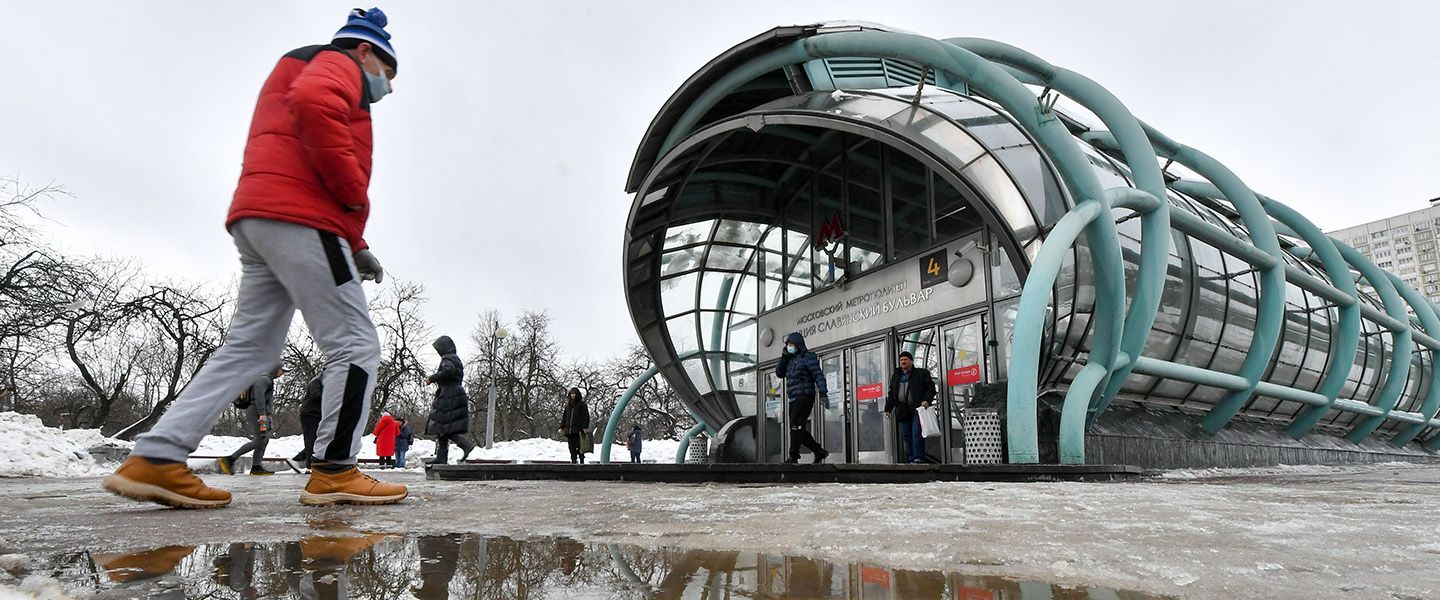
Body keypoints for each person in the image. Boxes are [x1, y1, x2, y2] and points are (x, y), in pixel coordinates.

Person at [103, 7, 406, 509]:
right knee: (354, 344)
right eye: (387, 74)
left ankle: (156, 457)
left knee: (249, 349)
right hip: (305, 218)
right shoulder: (339, 64)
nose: (386, 87)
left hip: (260, 218)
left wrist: (356, 245)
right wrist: (353, 201)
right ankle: (335, 470)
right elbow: (314, 106)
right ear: (366, 50)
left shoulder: (300, 63)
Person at [219, 366, 286, 476]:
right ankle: (229, 459)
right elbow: (259, 398)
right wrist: (262, 415)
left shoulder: (267, 379)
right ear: (275, 369)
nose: (283, 374)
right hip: (258, 413)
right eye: (282, 371)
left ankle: (256, 467)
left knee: (264, 439)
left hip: (261, 413)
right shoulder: (264, 379)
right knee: (260, 439)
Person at [775, 332, 830, 463]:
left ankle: (793, 455)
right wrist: (783, 358)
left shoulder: (808, 358)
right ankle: (818, 451)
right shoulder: (789, 360)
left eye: (791, 344)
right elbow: (779, 373)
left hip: (805, 396)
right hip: (793, 398)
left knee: (796, 427)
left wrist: (823, 393)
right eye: (787, 344)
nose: (789, 347)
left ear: (798, 345)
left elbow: (818, 375)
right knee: (796, 427)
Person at [425, 335, 475, 465]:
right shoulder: (454, 359)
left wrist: (432, 378)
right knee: (442, 429)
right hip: (453, 394)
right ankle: (442, 457)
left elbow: (448, 371)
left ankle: (465, 444)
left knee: (443, 427)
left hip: (449, 396)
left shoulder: (448, 359)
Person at [884, 351, 937, 463]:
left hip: (917, 409)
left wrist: (927, 400)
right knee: (906, 435)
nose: (903, 361)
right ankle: (912, 458)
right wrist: (888, 408)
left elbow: (931, 388)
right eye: (901, 360)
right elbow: (892, 393)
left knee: (916, 432)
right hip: (903, 410)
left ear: (911, 361)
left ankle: (918, 458)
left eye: (905, 359)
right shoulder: (896, 376)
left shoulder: (921, 373)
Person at [290, 375, 324, 470]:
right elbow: (316, 396)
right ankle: (309, 466)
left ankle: (298, 459)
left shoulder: (324, 382)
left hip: (318, 414)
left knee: (318, 439)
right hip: (310, 414)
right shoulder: (317, 381)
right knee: (311, 438)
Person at [559, 388, 590, 464]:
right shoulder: (568, 406)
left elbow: (586, 416)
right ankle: (573, 460)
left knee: (580, 446)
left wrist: (584, 427)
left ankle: (581, 460)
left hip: (578, 430)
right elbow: (565, 417)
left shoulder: (582, 405)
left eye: (574, 393)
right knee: (571, 447)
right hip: (569, 430)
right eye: (571, 393)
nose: (573, 395)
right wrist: (562, 427)